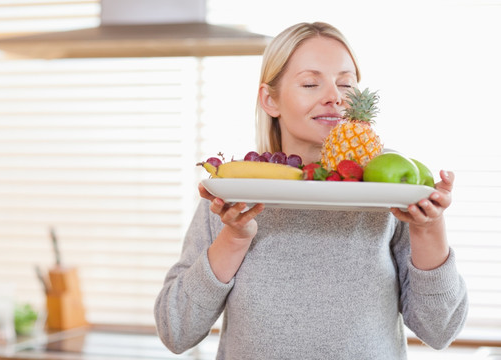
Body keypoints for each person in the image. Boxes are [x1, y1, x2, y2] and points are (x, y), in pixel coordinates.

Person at [154, 22, 468, 359]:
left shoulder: (390, 194)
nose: (334, 96)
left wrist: (428, 228)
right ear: (269, 99)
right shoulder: (232, 196)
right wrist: (234, 239)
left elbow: (440, 331)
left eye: (346, 83)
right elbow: (177, 331)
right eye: (310, 83)